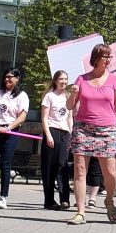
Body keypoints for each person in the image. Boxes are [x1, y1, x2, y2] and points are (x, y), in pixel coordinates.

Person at [66, 44, 116, 224]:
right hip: (83, 128)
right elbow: (70, 106)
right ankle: (80, 212)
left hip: (107, 129)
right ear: (96, 58)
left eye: (110, 57)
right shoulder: (82, 79)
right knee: (79, 170)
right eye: (105, 57)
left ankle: (109, 199)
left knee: (110, 172)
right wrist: (73, 94)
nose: (108, 60)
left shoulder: (114, 80)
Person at [0, 68, 29, 209]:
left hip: (10, 132)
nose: (7, 80)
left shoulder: (22, 96)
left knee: (5, 165)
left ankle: (3, 197)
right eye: (6, 77)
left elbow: (22, 116)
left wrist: (9, 127)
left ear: (17, 78)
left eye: (11, 77)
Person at [40, 71, 72, 209]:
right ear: (55, 80)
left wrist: (71, 134)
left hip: (64, 132)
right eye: (61, 79)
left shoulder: (68, 96)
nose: (63, 82)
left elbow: (70, 117)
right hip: (52, 130)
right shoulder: (49, 96)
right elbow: (44, 118)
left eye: (66, 79)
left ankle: (65, 199)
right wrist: (48, 135)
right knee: (49, 167)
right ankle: (49, 200)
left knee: (62, 165)